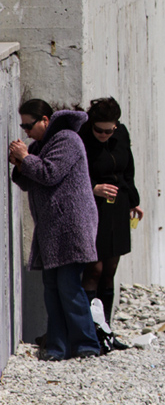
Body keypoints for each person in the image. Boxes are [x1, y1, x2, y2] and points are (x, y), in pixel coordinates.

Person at [9, 99, 101, 361]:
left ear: (45, 121)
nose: (25, 130)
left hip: (72, 226)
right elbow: (29, 181)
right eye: (22, 125)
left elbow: (50, 173)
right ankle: (57, 347)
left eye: (29, 124)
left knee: (69, 287)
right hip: (51, 229)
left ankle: (86, 344)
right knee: (52, 287)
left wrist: (26, 157)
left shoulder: (67, 139)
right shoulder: (40, 145)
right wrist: (20, 162)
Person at [79, 97, 143, 330]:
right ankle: (88, 329)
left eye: (109, 131)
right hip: (93, 207)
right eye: (99, 130)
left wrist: (133, 202)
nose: (104, 135)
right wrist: (93, 187)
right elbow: (74, 173)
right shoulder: (82, 138)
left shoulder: (121, 134)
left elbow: (128, 170)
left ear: (116, 126)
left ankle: (105, 326)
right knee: (94, 269)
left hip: (118, 206)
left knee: (110, 270)